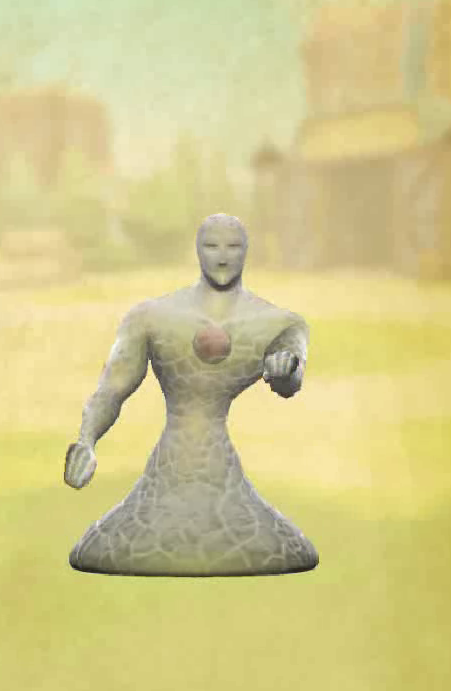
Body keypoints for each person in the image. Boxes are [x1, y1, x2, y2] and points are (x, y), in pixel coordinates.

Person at [64, 213, 319, 576]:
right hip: (166, 472)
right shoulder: (152, 317)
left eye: (233, 246)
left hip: (222, 475)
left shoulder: (279, 323)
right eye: (212, 246)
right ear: (197, 250)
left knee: (261, 544)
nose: (222, 256)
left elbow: (290, 379)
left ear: (246, 251)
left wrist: (285, 368)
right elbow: (113, 387)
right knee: (129, 543)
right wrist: (86, 441)